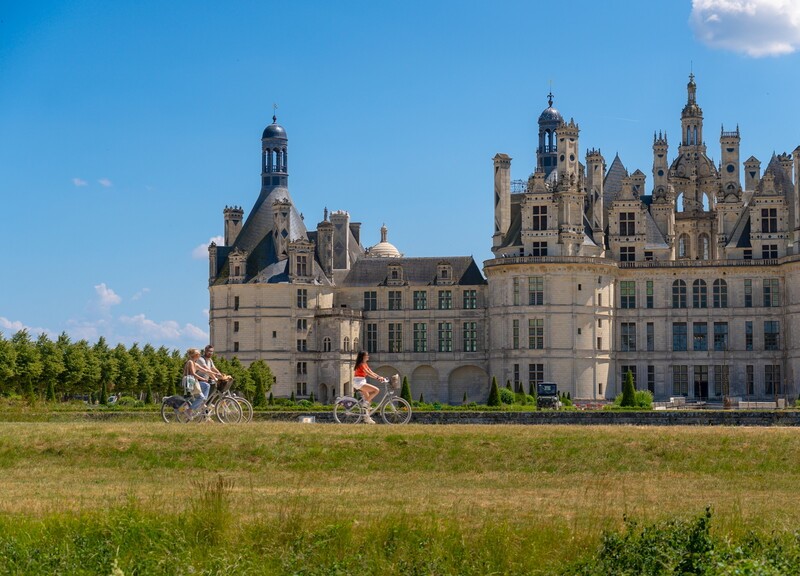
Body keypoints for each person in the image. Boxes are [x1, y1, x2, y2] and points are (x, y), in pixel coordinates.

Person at [353, 351, 386, 424]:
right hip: (359, 382)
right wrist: (377, 378)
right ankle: (364, 405)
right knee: (376, 390)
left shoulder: (364, 364)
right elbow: (368, 373)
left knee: (369, 401)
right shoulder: (361, 364)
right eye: (367, 355)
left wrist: (379, 377)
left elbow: (371, 372)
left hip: (361, 381)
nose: (368, 356)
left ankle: (367, 418)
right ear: (363, 357)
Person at [182, 348, 210, 415]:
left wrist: (217, 375)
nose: (200, 355)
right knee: (201, 397)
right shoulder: (190, 362)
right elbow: (193, 374)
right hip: (190, 382)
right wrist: (203, 379)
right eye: (198, 354)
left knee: (207, 385)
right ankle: (189, 410)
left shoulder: (195, 363)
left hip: (194, 382)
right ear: (194, 355)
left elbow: (206, 370)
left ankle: (202, 403)